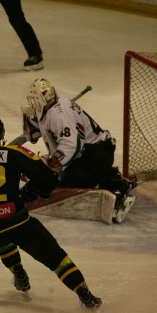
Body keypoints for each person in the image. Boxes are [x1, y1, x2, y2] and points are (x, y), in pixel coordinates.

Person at [0, 115, 102, 310]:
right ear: (2, 135)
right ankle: (85, 294)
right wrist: (35, 191)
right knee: (54, 257)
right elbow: (47, 180)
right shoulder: (13, 152)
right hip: (16, 224)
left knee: (0, 232)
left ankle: (18, 272)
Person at [24, 78, 136, 223]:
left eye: (34, 99)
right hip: (91, 153)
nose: (33, 103)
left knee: (64, 190)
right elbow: (40, 120)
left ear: (41, 99)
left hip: (95, 156)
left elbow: (71, 145)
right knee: (62, 179)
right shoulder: (54, 106)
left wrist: (52, 165)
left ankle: (118, 198)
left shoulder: (59, 115)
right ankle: (114, 179)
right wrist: (33, 126)